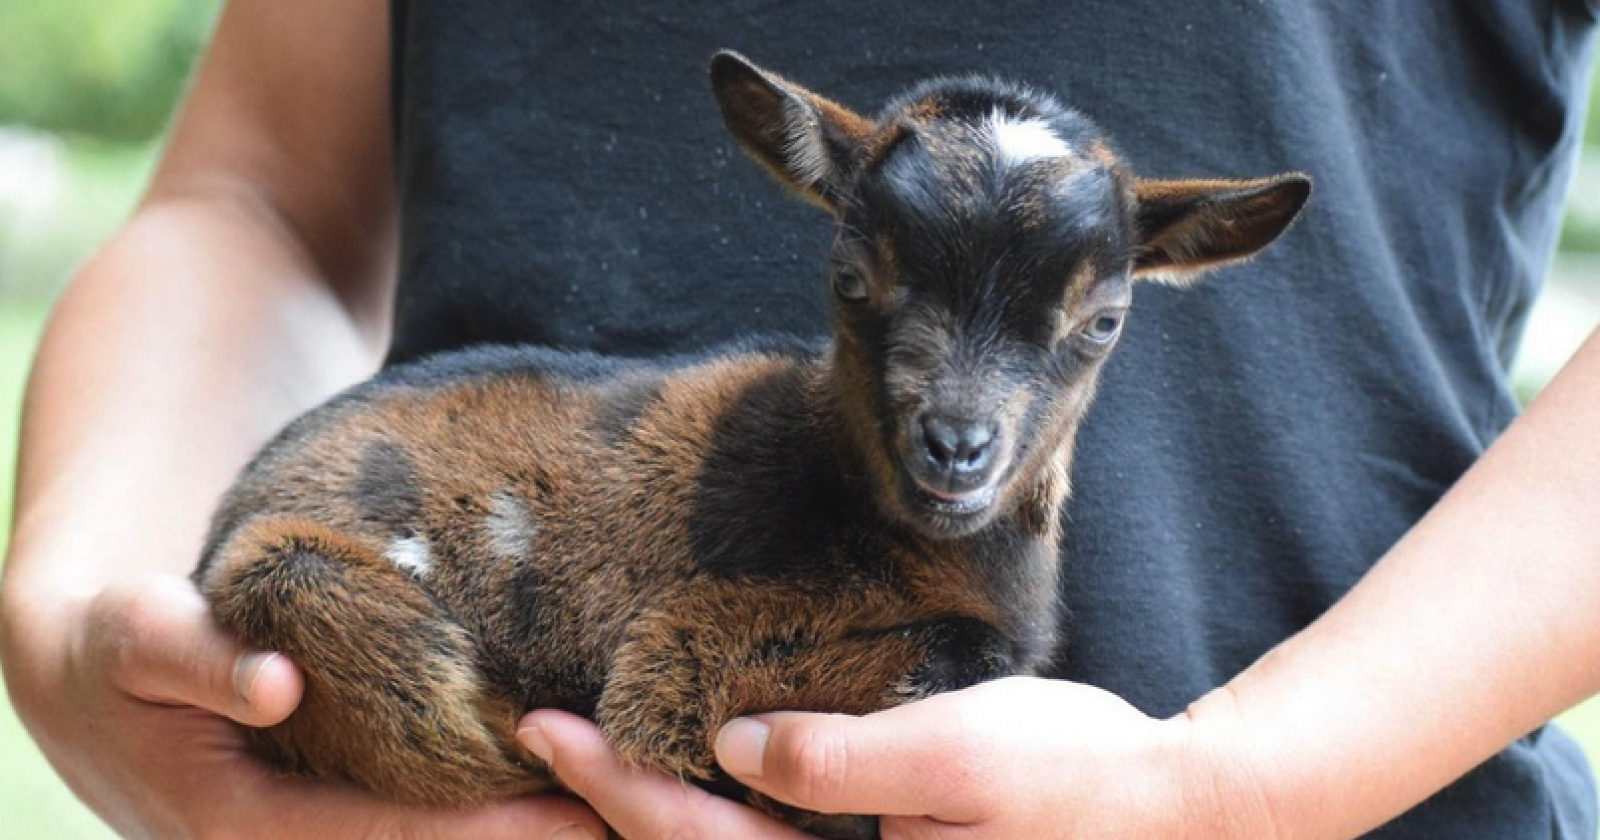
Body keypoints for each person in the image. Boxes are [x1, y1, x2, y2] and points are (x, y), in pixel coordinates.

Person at [3, 0, 1599, 837]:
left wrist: (1240, 788)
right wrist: (70, 624)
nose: (961, 419)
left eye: (1072, 329)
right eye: (888, 292)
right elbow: (253, 189)